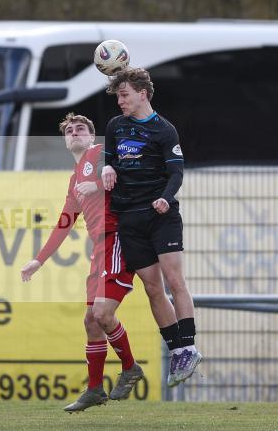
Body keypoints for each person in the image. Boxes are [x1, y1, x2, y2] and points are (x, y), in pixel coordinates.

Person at [21, 113, 143, 412]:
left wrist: (98, 184)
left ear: (91, 136)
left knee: (102, 313)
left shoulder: (99, 153)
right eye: (69, 131)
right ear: (65, 141)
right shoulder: (75, 178)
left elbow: (122, 171)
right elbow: (65, 221)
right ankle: (95, 389)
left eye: (80, 129)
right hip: (99, 249)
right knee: (91, 320)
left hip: (117, 239)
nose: (74, 133)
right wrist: (38, 261)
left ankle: (130, 367)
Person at [101, 68, 202, 387]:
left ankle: (189, 347)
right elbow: (108, 160)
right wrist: (106, 168)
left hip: (160, 216)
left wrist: (164, 198)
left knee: (174, 280)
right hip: (129, 218)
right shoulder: (115, 126)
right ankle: (177, 351)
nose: (120, 101)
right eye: (118, 96)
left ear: (142, 94)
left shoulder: (164, 130)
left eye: (124, 95)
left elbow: (176, 173)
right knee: (153, 288)